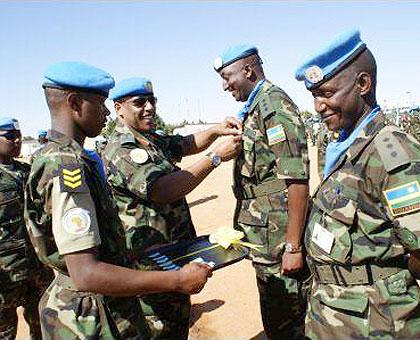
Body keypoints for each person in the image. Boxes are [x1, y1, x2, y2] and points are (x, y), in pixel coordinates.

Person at [24, 61, 212, 339]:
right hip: (89, 314)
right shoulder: (65, 167)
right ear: (75, 103)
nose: (106, 113)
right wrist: (177, 280)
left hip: (102, 302)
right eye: (100, 104)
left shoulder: (72, 158)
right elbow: (86, 273)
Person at [295, 29, 420, 338]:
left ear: (363, 84)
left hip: (374, 322)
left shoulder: (392, 152)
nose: (318, 106)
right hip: (332, 312)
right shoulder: (343, 145)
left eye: (326, 93)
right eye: (314, 96)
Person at [102, 77, 242, 339]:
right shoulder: (122, 149)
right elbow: (163, 190)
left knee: (177, 323)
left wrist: (215, 131)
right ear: (118, 108)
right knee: (161, 328)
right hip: (150, 263)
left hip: (173, 254)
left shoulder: (149, 139)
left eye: (152, 101)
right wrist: (215, 158)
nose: (149, 107)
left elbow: (185, 143)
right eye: (139, 102)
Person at [213, 44, 310, 339]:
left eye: (227, 76)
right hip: (264, 233)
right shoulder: (255, 107)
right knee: (275, 310)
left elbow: (297, 179)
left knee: (287, 316)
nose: (224, 85)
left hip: (279, 236)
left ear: (248, 70)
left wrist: (293, 246)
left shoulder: (274, 104)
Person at [0, 118, 54, 339]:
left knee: (42, 324)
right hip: (6, 271)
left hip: (36, 267)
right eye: (10, 136)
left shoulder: (28, 171)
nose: (18, 140)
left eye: (19, 135)